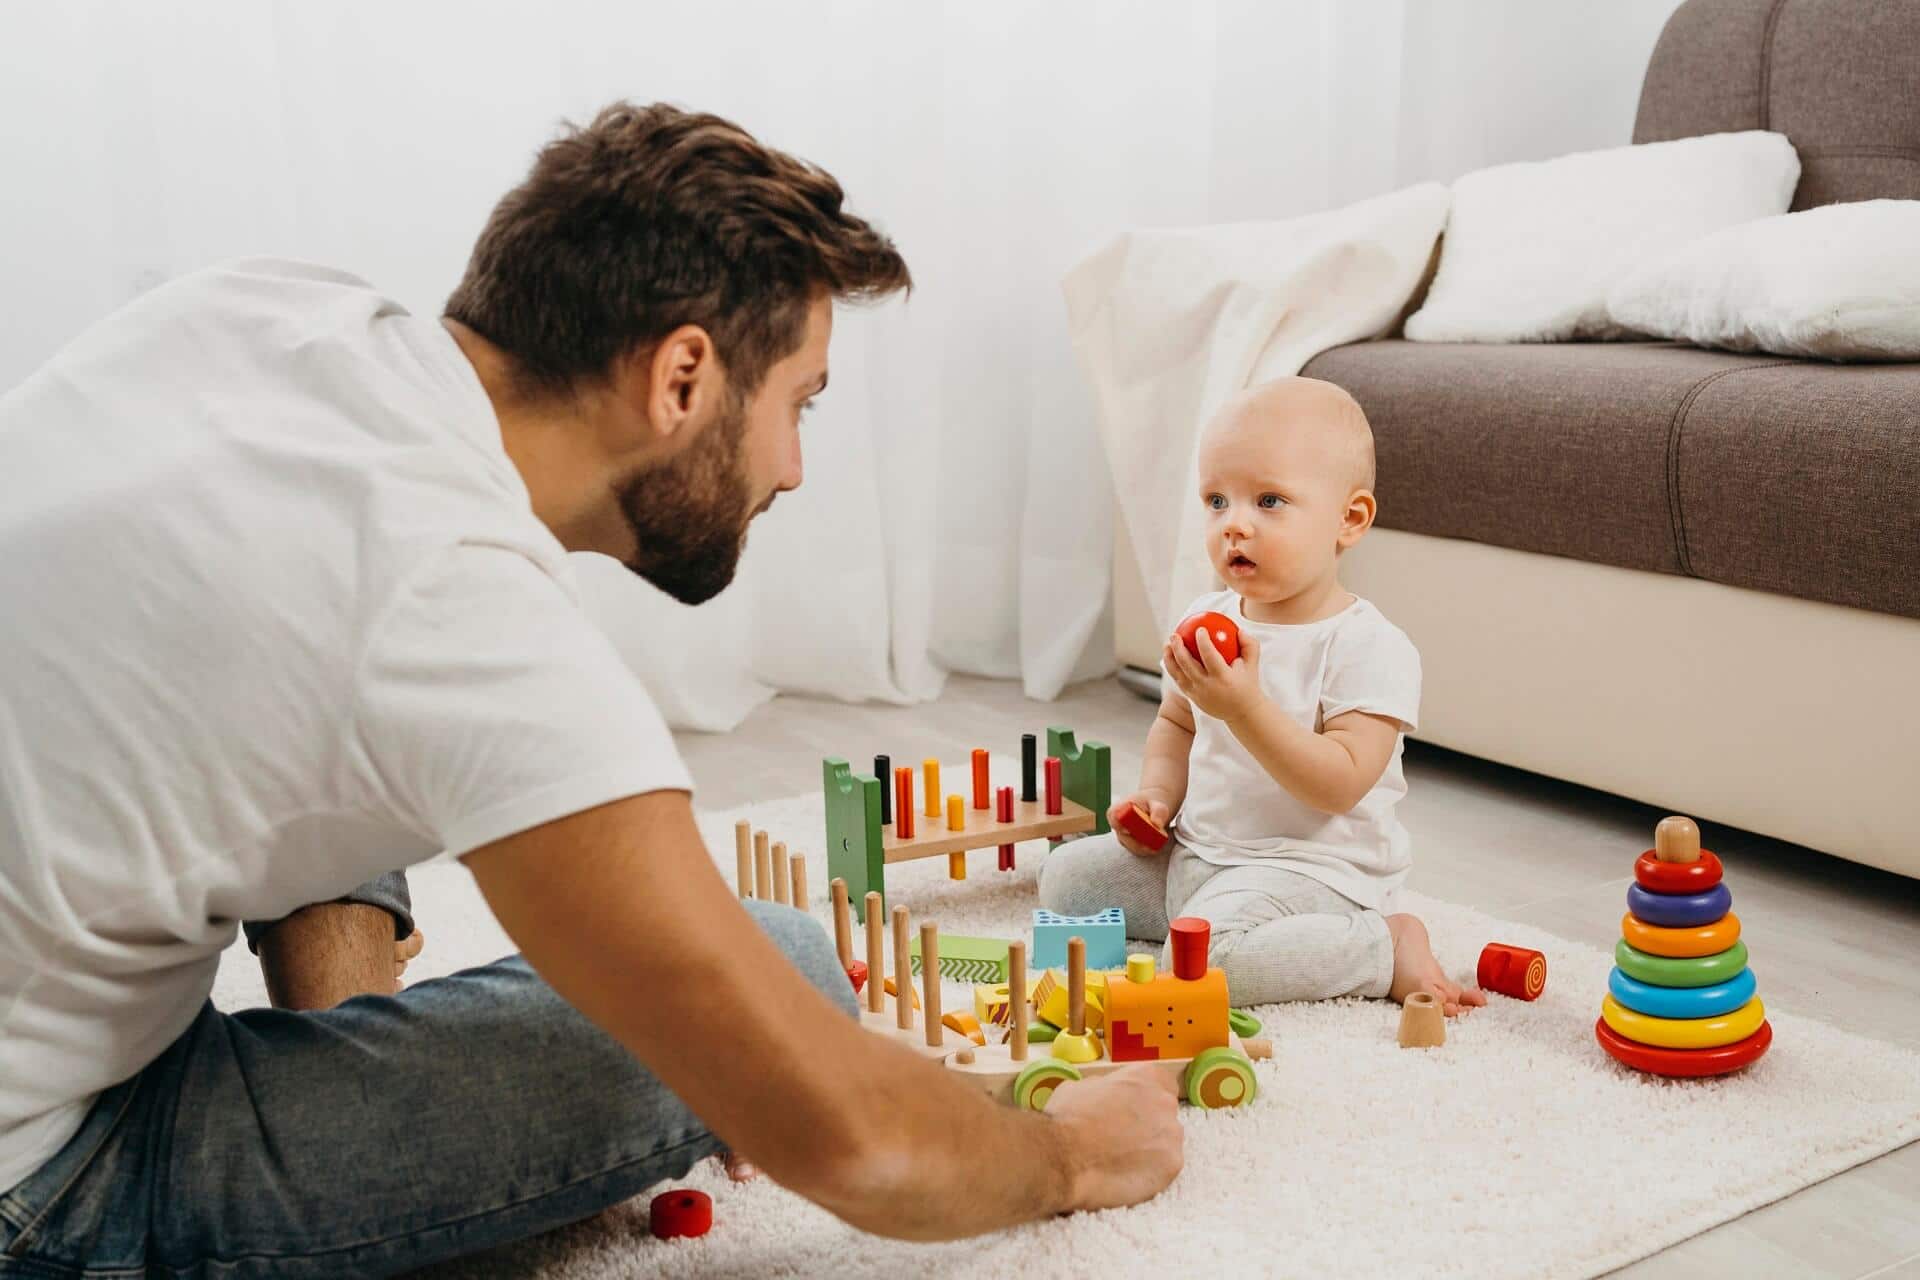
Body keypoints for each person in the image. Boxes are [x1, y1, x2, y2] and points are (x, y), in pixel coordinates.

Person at [0, 101, 1182, 1278]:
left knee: (305, 651)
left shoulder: (269, 309)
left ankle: (332, 1040)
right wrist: (1070, 1151)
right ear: (683, 377)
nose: (794, 467)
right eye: (799, 404)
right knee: (790, 970)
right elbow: (853, 1136)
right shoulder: (467, 618)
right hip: (45, 1174)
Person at [1041, 378, 1488, 1015]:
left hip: (1311, 872)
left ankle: (1382, 947)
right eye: (1217, 500)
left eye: (1269, 501)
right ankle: (1222, 922)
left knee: (1203, 966)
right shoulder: (1205, 615)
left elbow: (1338, 784)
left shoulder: (1367, 645)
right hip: (1199, 851)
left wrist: (1244, 707)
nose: (1235, 525)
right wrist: (1157, 799)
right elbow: (1177, 722)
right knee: (1063, 883)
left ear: (1349, 519)